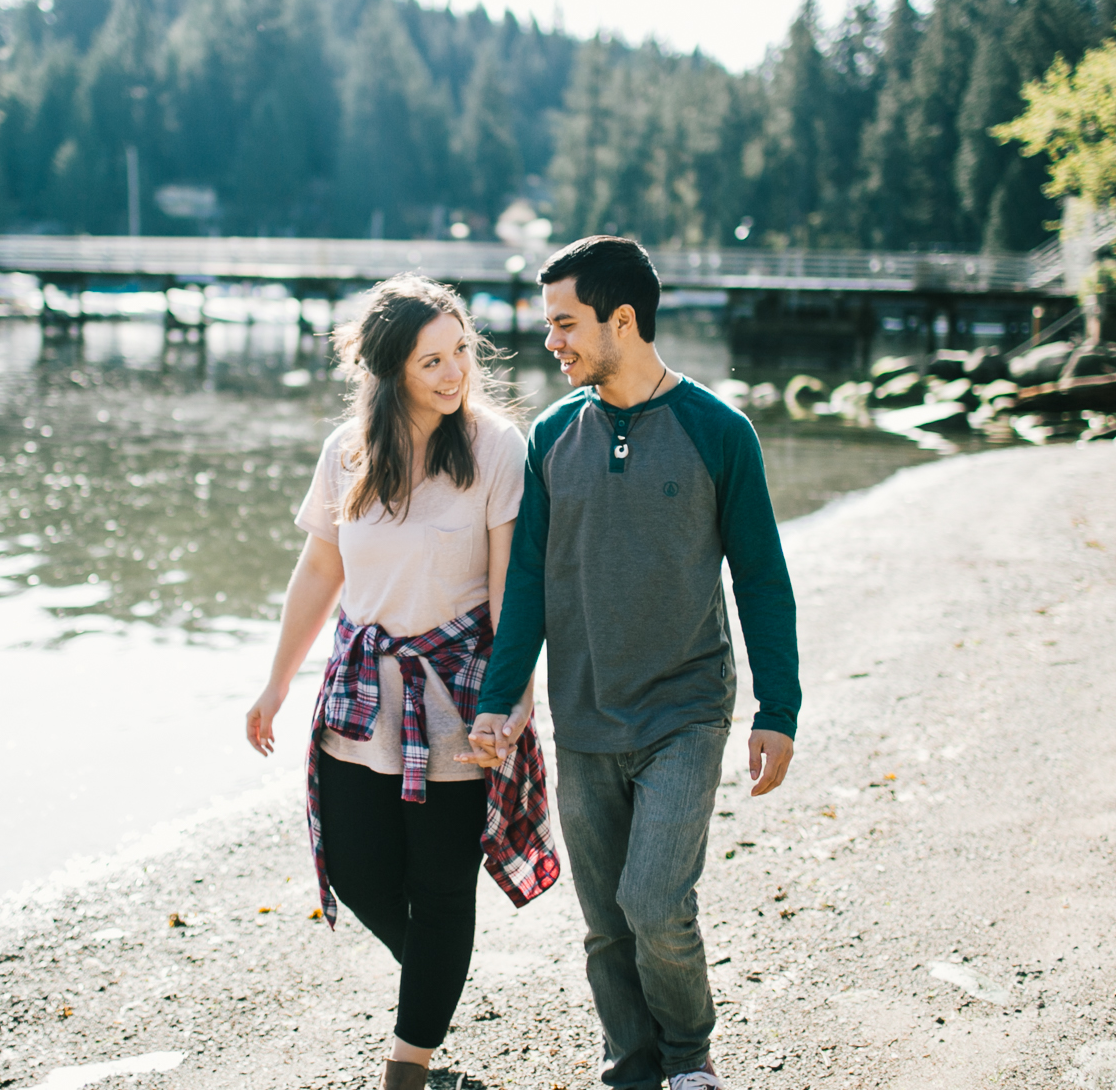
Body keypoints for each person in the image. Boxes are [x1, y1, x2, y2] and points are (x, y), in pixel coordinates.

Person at [465, 235, 799, 1090]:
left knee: (654, 901)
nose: (552, 341)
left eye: (566, 323)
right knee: (606, 921)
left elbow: (760, 576)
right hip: (583, 716)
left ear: (623, 319)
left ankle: (688, 1058)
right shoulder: (550, 439)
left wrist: (778, 709)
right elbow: (531, 585)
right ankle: (631, 1064)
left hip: (684, 710)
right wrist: (502, 700)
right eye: (549, 325)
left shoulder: (718, 432)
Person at [246, 275, 560, 1090]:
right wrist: (275, 683)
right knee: (355, 869)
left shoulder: (496, 446)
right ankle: (435, 974)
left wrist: (511, 699)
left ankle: (409, 1061)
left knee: (442, 883)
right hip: (360, 690)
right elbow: (320, 567)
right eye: (433, 361)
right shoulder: (346, 451)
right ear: (390, 370)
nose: (456, 373)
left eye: (461, 351)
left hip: (460, 694)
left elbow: (508, 588)